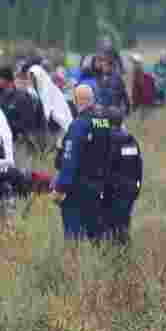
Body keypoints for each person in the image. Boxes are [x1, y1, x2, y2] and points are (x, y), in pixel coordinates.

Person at [52, 85, 112, 241]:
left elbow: (70, 158)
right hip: (102, 184)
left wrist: (60, 187)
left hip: (78, 187)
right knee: (98, 234)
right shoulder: (105, 121)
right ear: (92, 99)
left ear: (76, 100)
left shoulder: (79, 124)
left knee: (73, 236)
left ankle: (74, 263)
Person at [102, 109, 142, 246]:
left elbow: (104, 168)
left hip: (112, 191)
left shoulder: (106, 140)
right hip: (129, 189)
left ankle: (116, 258)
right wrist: (137, 187)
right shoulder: (130, 140)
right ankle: (124, 255)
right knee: (124, 224)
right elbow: (138, 167)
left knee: (111, 228)